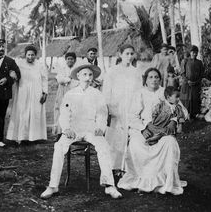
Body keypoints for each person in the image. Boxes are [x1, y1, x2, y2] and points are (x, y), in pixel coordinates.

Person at [40, 64, 122, 199]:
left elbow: (102, 114)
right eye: (84, 74)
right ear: (78, 76)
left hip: (91, 129)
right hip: (74, 129)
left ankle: (109, 185)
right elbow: (64, 113)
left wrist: (100, 127)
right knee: (59, 147)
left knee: (104, 147)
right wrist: (66, 128)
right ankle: (53, 185)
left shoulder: (97, 94)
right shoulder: (70, 94)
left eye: (90, 75)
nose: (88, 78)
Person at [118, 85, 187, 195]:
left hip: (165, 127)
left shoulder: (168, 96)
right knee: (136, 143)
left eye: (156, 77)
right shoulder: (140, 93)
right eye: (150, 77)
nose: (154, 80)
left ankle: (165, 180)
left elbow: (184, 113)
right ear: (146, 80)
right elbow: (133, 116)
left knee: (168, 141)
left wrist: (176, 121)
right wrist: (143, 128)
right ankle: (141, 179)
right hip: (148, 125)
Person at [103, 44, 142, 174]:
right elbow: (106, 91)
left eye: (132, 54)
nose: (130, 56)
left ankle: (126, 168)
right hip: (116, 108)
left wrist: (137, 110)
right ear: (120, 54)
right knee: (114, 138)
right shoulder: (112, 71)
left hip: (131, 108)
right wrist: (109, 108)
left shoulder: (136, 72)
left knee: (129, 137)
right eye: (127, 53)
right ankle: (113, 167)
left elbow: (138, 92)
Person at [6, 45, 48, 143]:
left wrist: (45, 92)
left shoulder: (40, 65)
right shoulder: (19, 64)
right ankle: (20, 137)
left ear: (35, 56)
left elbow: (44, 79)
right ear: (25, 55)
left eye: (32, 55)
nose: (30, 57)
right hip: (22, 92)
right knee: (22, 113)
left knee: (35, 113)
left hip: (36, 92)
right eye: (28, 55)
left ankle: (34, 137)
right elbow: (13, 74)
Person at [53, 52, 79, 136]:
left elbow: (77, 82)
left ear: (75, 60)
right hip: (62, 91)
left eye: (72, 59)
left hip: (73, 91)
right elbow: (60, 80)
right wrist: (68, 79)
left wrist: (69, 80)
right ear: (66, 60)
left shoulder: (77, 70)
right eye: (68, 59)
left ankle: (71, 131)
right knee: (60, 109)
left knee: (72, 111)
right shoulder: (62, 68)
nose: (70, 61)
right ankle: (59, 131)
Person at [180, 45, 204, 119]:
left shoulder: (199, 62)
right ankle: (185, 114)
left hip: (196, 84)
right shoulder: (185, 61)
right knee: (187, 99)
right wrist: (187, 81)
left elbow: (201, 74)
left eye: (196, 52)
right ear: (190, 52)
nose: (194, 54)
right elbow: (182, 73)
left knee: (194, 99)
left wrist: (197, 81)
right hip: (187, 84)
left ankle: (194, 114)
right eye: (193, 52)